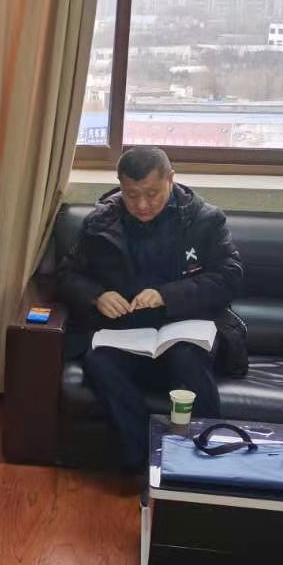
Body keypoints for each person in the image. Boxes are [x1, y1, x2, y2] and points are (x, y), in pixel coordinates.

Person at [56, 146, 246, 470]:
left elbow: (230, 277)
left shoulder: (204, 220)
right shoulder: (100, 223)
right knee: (99, 362)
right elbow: (67, 275)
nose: (142, 205)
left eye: (152, 194)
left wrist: (167, 295)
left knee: (186, 359)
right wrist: (97, 295)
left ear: (170, 179)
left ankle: (208, 462)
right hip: (125, 334)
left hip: (185, 331)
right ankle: (142, 462)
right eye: (132, 195)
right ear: (120, 186)